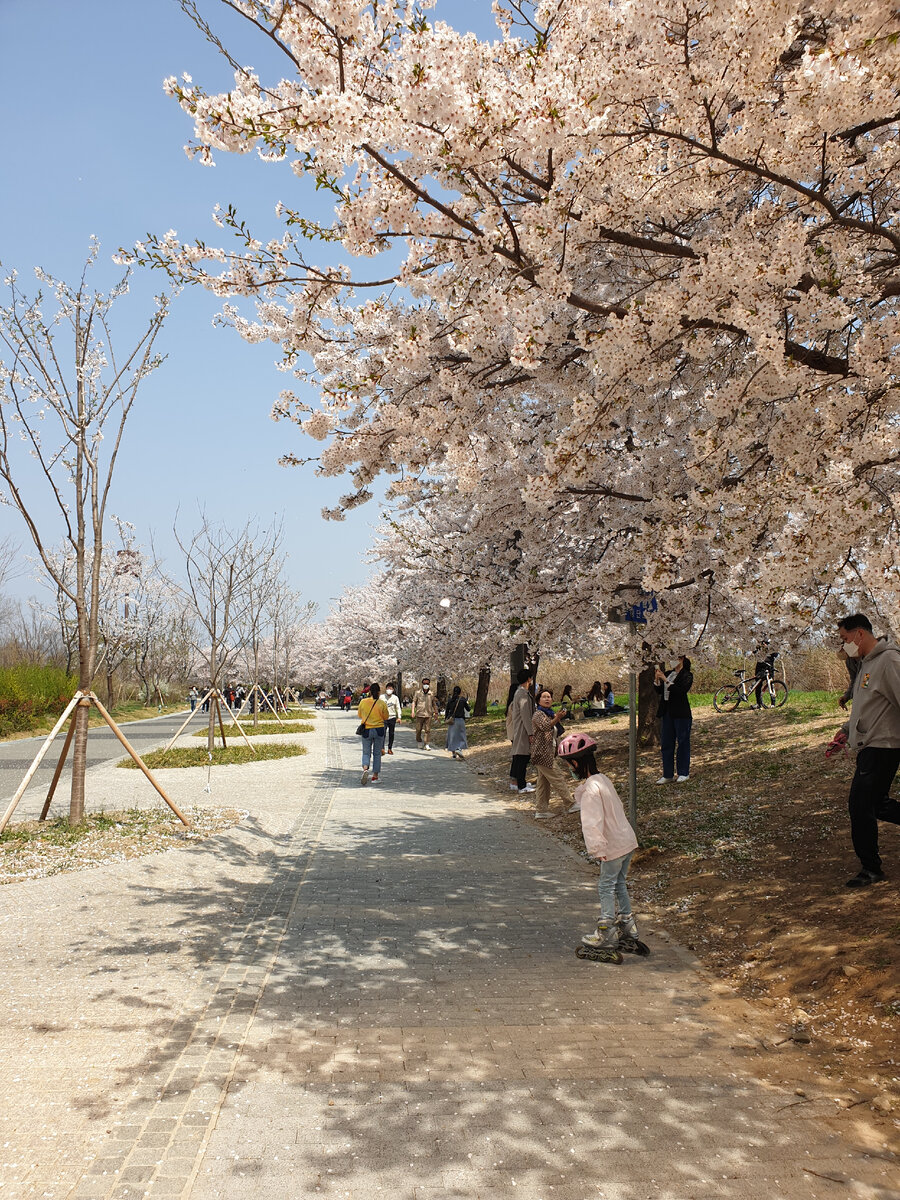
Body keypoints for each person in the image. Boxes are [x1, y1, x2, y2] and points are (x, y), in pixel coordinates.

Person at [556, 732, 646, 960]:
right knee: (619, 883)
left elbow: (591, 824)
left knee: (606, 885)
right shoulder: (603, 780)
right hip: (626, 841)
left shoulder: (590, 792)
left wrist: (598, 850)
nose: (569, 769)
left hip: (612, 846)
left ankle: (606, 931)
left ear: (575, 763)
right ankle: (627, 926)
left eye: (569, 765)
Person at [837, 614, 900, 887]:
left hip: (883, 746)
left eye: (845, 638)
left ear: (859, 634)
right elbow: (865, 706)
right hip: (868, 744)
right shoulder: (865, 663)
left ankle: (871, 869)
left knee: (860, 806)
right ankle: (870, 867)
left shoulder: (889, 661)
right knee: (878, 805)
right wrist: (846, 730)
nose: (844, 645)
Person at [530, 688, 573, 817]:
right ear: (539, 701)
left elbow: (554, 732)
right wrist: (557, 718)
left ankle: (541, 811)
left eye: (549, 697)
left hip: (548, 752)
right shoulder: (538, 714)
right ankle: (570, 803)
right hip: (541, 754)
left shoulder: (549, 714)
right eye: (544, 697)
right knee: (557, 777)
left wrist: (557, 717)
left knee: (543, 783)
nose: (547, 699)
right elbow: (545, 726)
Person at [654, 656, 694, 783]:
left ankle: (683, 772)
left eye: (675, 658)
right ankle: (667, 774)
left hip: (681, 713)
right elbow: (659, 690)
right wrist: (657, 679)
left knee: (682, 742)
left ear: (681, 659)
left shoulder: (687, 675)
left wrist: (665, 680)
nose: (672, 660)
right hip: (667, 712)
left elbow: (680, 691)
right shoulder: (669, 674)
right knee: (666, 743)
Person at [506, 667, 536, 794]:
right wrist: (530, 732)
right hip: (523, 729)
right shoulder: (522, 693)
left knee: (519, 757)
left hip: (520, 728)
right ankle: (521, 785)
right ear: (529, 679)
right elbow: (525, 715)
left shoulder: (519, 692)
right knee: (522, 757)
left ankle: (518, 782)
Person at [357, 683, 389, 785]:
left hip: (366, 729)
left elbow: (359, 715)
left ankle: (365, 769)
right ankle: (375, 777)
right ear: (379, 692)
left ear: (369, 691)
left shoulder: (363, 702)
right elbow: (386, 717)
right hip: (379, 729)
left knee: (366, 752)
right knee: (377, 753)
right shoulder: (381, 703)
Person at [411, 677, 439, 749]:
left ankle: (426, 743)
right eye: (424, 683)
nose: (426, 685)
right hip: (419, 713)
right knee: (418, 729)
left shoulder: (431, 693)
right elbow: (414, 702)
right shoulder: (417, 693)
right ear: (422, 684)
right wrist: (413, 711)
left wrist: (436, 713)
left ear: (429, 684)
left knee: (427, 730)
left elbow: (434, 704)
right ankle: (419, 741)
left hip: (428, 714)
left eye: (427, 683)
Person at [444, 686, 470, 759]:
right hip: (461, 720)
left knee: (452, 736)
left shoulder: (450, 700)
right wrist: (467, 702)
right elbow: (468, 709)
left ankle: (453, 753)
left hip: (452, 721)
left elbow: (447, 710)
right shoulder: (462, 699)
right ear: (460, 692)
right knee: (461, 735)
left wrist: (446, 718)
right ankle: (459, 749)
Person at [383, 682, 402, 754]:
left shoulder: (395, 698)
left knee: (391, 734)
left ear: (393, 690)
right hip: (383, 718)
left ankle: (390, 748)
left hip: (392, 717)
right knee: (383, 733)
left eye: (390, 689)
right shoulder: (382, 697)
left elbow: (398, 708)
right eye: (388, 688)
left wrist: (399, 717)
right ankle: (382, 748)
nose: (389, 690)